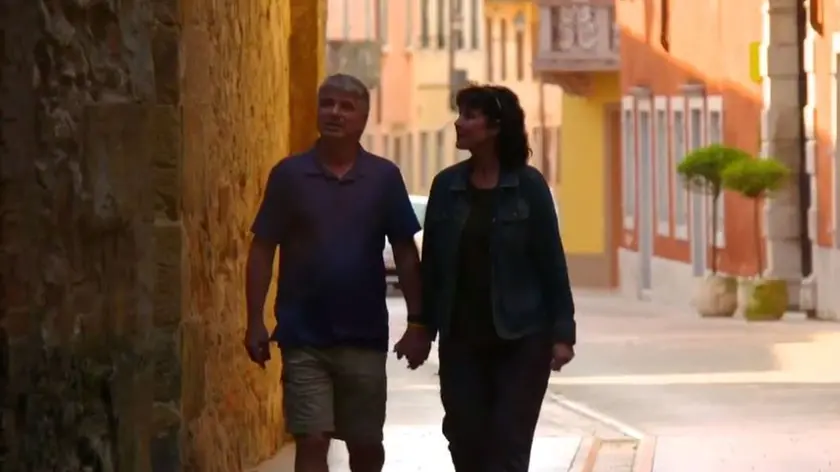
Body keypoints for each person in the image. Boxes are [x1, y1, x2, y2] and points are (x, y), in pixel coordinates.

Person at [245, 73, 423, 472]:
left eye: (346, 106)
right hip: (303, 336)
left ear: (364, 117)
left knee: (365, 445)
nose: (335, 113)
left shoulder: (383, 177)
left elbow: (405, 252)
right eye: (327, 104)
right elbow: (262, 248)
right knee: (311, 439)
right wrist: (255, 319)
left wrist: (417, 323)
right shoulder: (289, 176)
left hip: (364, 337)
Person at [395, 84, 576, 472]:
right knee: (464, 438)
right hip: (462, 339)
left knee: (509, 444)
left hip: (522, 338)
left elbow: (551, 262)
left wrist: (563, 333)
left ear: (495, 127)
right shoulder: (447, 186)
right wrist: (421, 327)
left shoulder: (528, 187)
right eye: (459, 114)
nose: (458, 123)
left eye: (469, 116)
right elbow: (433, 266)